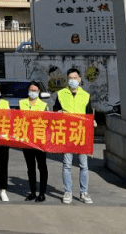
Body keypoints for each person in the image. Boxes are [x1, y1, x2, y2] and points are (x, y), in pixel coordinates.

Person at [54, 68, 93, 204]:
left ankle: (84, 192)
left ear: (80, 79)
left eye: (75, 78)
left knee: (84, 165)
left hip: (81, 134)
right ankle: (68, 192)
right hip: (67, 134)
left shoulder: (86, 95)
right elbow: (55, 111)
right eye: (70, 78)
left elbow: (89, 114)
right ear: (67, 80)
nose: (73, 80)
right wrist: (57, 113)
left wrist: (92, 122)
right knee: (67, 164)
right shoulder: (60, 94)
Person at [19, 80, 49, 202]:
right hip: (26, 140)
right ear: (28, 91)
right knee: (30, 167)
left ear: (39, 92)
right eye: (31, 90)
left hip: (40, 140)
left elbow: (49, 123)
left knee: (42, 167)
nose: (33, 92)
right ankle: (32, 192)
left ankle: (42, 193)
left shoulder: (43, 105)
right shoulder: (22, 103)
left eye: (35, 90)